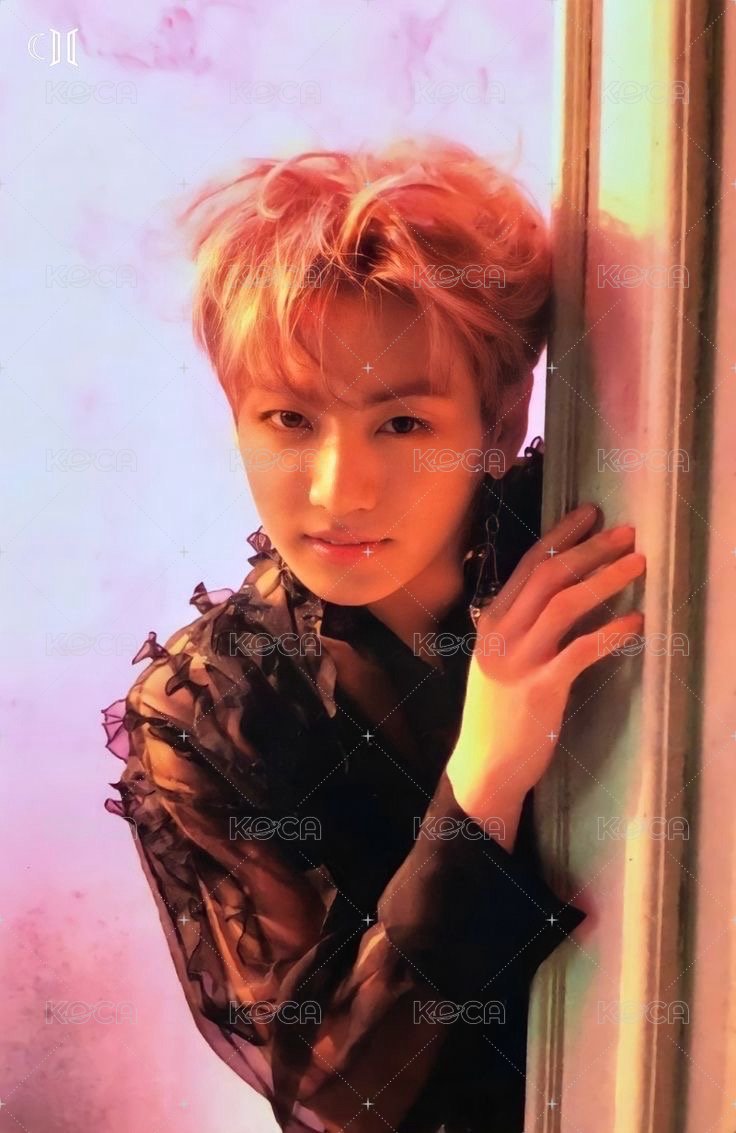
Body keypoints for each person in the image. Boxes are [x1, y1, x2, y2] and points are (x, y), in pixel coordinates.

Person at [102, 139, 645, 1133]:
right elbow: (333, 1092)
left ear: (498, 421)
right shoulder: (208, 713)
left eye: (400, 424)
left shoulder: (591, 526)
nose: (337, 490)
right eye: (288, 419)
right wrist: (484, 775)